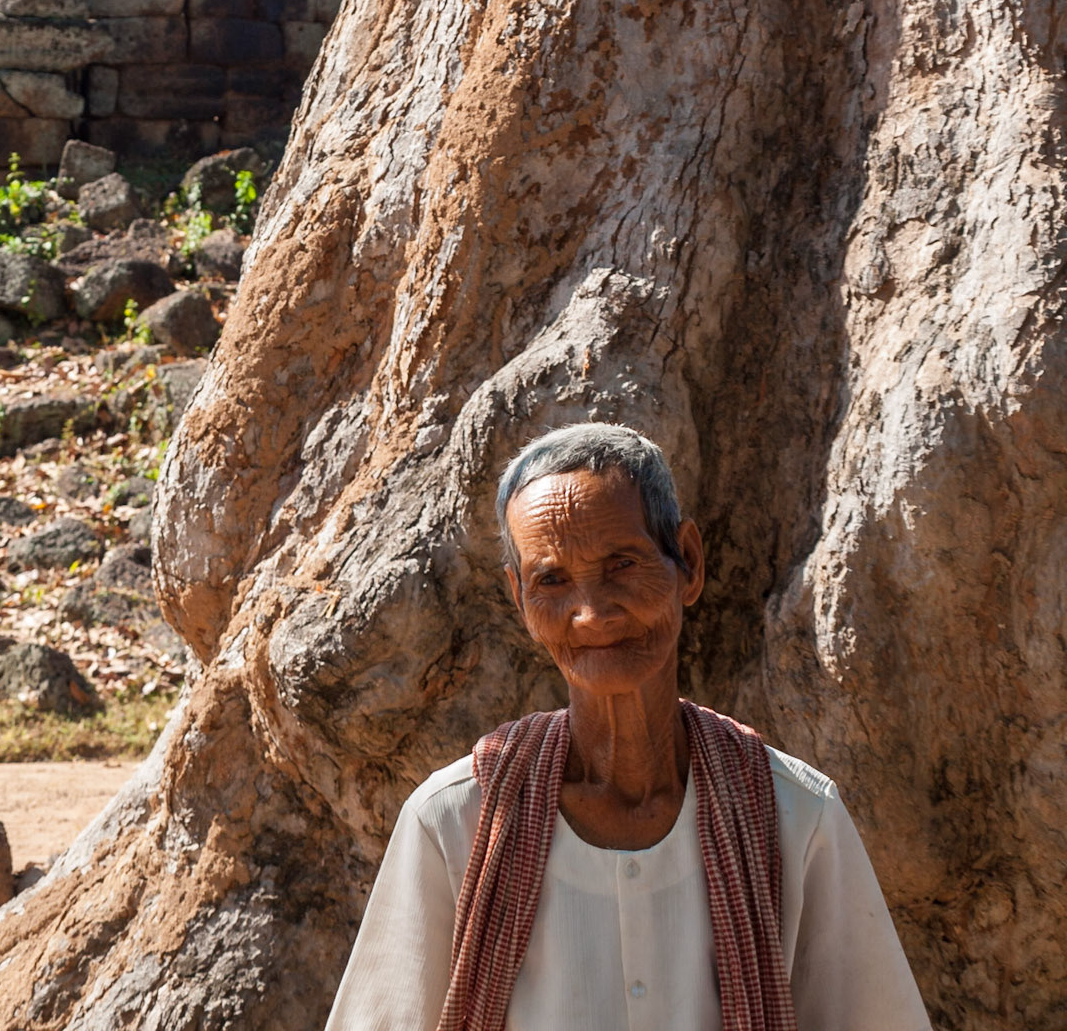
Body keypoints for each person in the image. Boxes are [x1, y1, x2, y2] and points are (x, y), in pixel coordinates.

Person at [325, 423, 930, 1031]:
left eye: (621, 564)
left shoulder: (797, 815)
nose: (590, 614)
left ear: (686, 564)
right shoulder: (453, 821)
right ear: (519, 601)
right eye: (552, 581)